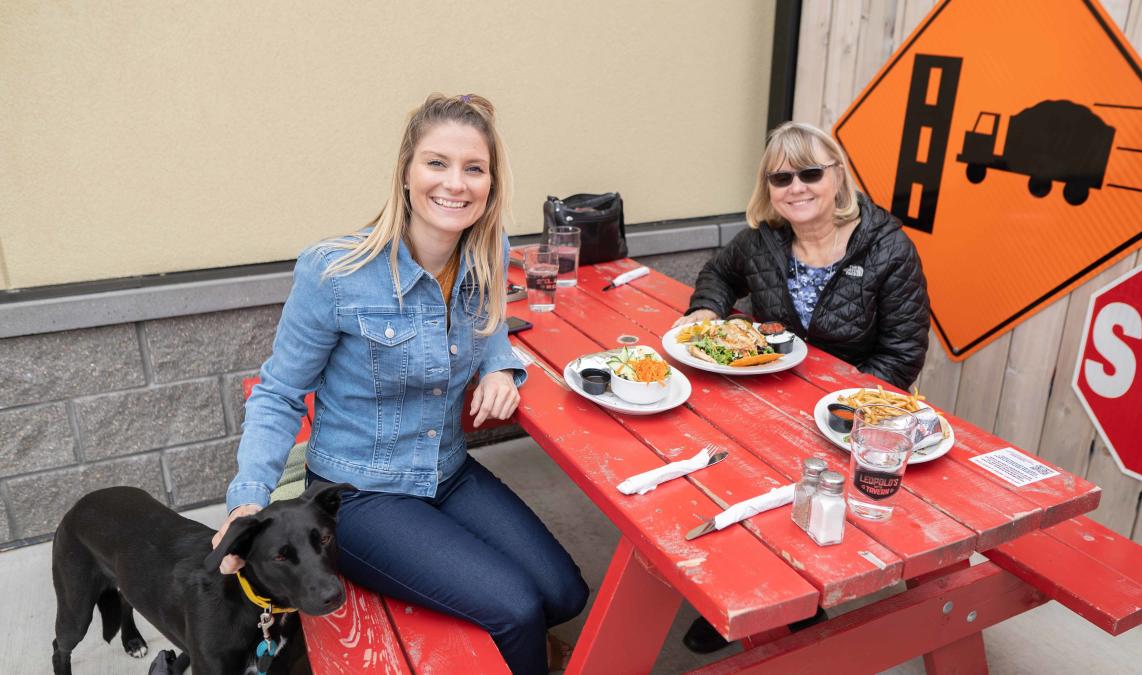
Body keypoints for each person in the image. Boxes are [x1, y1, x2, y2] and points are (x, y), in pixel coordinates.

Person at [213, 93, 588, 674]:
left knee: (564, 595)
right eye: (437, 163)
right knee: (515, 610)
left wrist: (500, 368)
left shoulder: (487, 255)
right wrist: (247, 499)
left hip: (448, 472)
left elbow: (491, 333)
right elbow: (280, 392)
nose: (455, 184)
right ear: (407, 172)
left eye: (474, 168)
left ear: (491, 182)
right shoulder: (335, 271)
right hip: (360, 494)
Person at [673, 121, 930, 652]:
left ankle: (799, 601)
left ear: (838, 177)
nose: (796, 187)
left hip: (851, 414)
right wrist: (705, 308)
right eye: (781, 177)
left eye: (810, 172)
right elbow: (718, 275)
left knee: (811, 497)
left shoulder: (888, 249)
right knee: (724, 470)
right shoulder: (761, 242)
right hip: (774, 395)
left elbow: (903, 353)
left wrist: (844, 404)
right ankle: (741, 591)